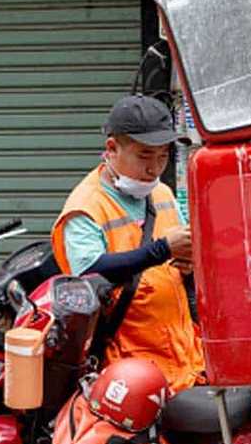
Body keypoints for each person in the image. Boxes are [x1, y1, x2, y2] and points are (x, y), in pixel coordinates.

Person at [51, 95, 205, 394]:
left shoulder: (162, 194)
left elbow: (175, 261)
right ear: (112, 149)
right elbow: (89, 271)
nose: (155, 169)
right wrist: (162, 250)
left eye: (163, 156)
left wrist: (188, 265)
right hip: (127, 373)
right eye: (145, 156)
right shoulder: (86, 206)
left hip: (184, 361)